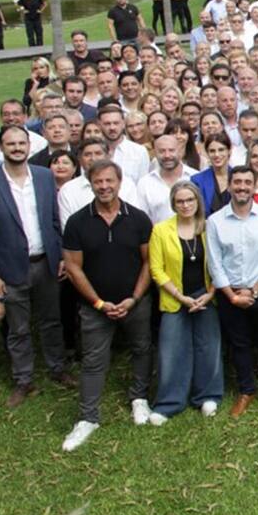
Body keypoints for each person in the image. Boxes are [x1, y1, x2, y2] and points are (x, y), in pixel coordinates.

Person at [60, 161, 154, 451]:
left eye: (109, 181)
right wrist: (99, 303)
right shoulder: (77, 222)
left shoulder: (138, 219)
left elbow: (150, 261)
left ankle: (139, 398)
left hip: (134, 302)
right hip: (94, 307)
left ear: (120, 181)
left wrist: (134, 299)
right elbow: (74, 269)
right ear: (91, 183)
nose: (104, 186)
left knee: (142, 348)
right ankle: (88, 418)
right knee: (93, 361)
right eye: (98, 182)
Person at [0, 125, 72, 407]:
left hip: (46, 263)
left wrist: (62, 255)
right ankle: (23, 379)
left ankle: (57, 368)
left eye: (21, 143)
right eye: (11, 143)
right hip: (10, 267)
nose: (17, 148)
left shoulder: (43, 177)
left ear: (29, 145)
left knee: (51, 320)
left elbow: (55, 220)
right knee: (18, 328)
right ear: (2, 147)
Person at [206, 166, 258, 418]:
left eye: (247, 182)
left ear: (255, 187)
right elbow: (215, 262)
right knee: (239, 343)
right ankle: (247, 390)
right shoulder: (215, 221)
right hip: (230, 294)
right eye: (237, 182)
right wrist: (231, 296)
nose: (242, 187)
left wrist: (253, 291)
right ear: (229, 186)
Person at [146, 181, 222, 424]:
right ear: (173, 204)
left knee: (208, 346)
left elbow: (220, 263)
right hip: (175, 297)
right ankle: (169, 402)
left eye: (190, 200)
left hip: (205, 294)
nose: (186, 205)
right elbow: (156, 269)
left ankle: (208, 396)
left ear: (198, 201)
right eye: (180, 201)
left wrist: (210, 293)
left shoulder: (210, 227)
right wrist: (180, 297)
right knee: (171, 350)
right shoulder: (161, 230)